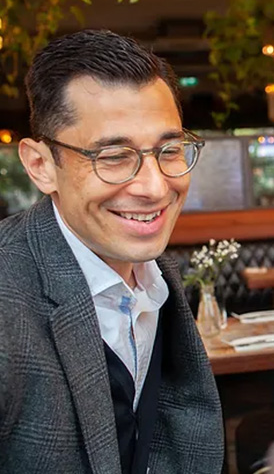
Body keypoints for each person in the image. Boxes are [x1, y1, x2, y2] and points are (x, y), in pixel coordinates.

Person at [0, 30, 224, 472]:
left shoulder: (157, 273)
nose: (155, 187)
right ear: (41, 166)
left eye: (170, 150)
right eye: (115, 156)